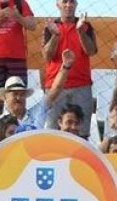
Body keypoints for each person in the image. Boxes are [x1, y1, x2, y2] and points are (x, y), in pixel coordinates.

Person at [0, 52, 74, 152]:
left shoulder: (37, 113)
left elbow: (55, 90)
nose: (18, 97)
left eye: (22, 94)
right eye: (14, 94)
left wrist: (65, 67)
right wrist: (0, 147)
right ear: (5, 97)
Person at [41, 0, 96, 137]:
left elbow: (91, 51)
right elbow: (47, 56)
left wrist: (81, 32)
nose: (68, 5)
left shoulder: (85, 25)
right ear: (58, 4)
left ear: (76, 4)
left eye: (72, 2)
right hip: (55, 87)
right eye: (64, 2)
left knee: (81, 133)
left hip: (81, 85)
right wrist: (55, 34)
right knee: (53, 133)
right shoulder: (51, 26)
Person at [0, 0, 37, 98]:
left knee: (18, 94)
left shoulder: (20, 3)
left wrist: (16, 16)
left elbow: (32, 25)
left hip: (17, 58)